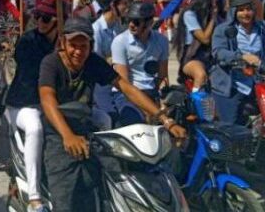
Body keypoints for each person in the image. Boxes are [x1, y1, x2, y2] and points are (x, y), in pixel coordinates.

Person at [38, 17, 186, 212]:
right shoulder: (51, 63)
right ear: (63, 43)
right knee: (66, 195)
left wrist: (165, 120)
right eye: (73, 45)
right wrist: (67, 135)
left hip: (86, 128)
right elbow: (47, 98)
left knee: (117, 176)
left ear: (91, 45)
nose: (78, 51)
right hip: (58, 133)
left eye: (83, 46)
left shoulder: (92, 62)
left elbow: (126, 87)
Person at [4, 0, 59, 212]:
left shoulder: (66, 42)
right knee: (35, 128)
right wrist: (56, 55)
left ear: (58, 20)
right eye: (37, 16)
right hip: (24, 104)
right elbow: (33, 67)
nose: (39, 21)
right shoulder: (28, 41)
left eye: (45, 18)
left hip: (53, 103)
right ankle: (35, 198)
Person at [109, 2, 169, 126]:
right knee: (135, 123)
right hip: (126, 94)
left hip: (151, 91)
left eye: (136, 21)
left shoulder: (162, 41)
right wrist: (146, 110)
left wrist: (162, 100)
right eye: (129, 20)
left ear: (149, 23)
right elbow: (124, 84)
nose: (131, 24)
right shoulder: (120, 42)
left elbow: (162, 76)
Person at [91, 0, 129, 126]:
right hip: (101, 90)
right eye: (124, 3)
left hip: (118, 84)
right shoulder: (96, 30)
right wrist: (116, 59)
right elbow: (97, 62)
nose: (127, 7)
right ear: (113, 5)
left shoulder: (117, 26)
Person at [174, 0, 218, 91]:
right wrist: (213, 18)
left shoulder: (212, 12)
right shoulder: (189, 14)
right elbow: (204, 39)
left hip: (212, 56)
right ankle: (197, 103)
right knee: (200, 75)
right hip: (193, 56)